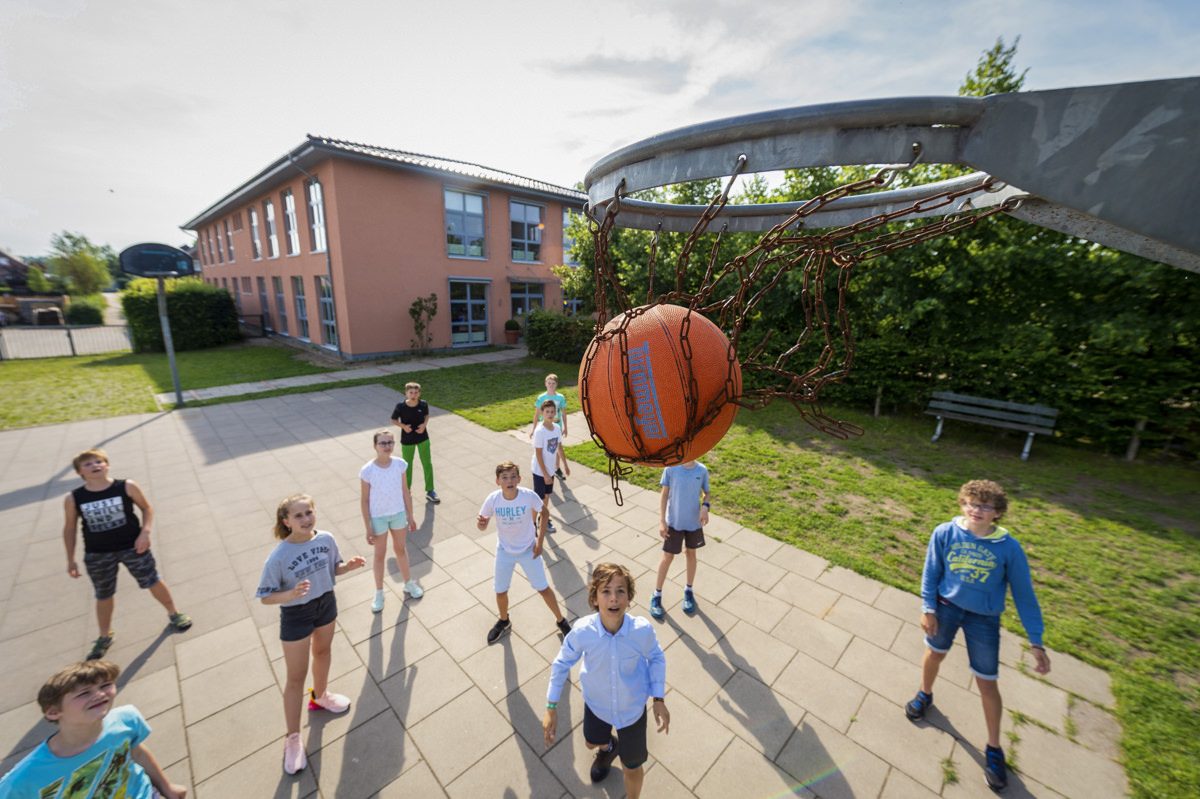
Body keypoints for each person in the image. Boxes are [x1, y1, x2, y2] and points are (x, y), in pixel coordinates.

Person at [904, 479, 1051, 792]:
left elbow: (1024, 595)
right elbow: (931, 572)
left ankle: (994, 748)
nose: (976, 510)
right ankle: (925, 694)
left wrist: (1035, 640)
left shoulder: (1009, 548)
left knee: (987, 681)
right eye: (971, 503)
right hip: (945, 608)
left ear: (997, 513)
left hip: (983, 619)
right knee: (934, 653)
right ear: (962, 504)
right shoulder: (945, 532)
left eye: (985, 506)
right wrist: (927, 607)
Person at [256, 494, 366, 775]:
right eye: (298, 516)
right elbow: (265, 597)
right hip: (296, 613)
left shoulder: (326, 539)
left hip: (325, 601)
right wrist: (289, 594)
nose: (306, 519)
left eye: (309, 512)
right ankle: (292, 738)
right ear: (286, 521)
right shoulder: (279, 557)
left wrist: (348, 567)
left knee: (323, 652)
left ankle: (320, 696)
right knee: (295, 676)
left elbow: (333, 569)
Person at [543, 563, 669, 798]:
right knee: (591, 742)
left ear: (629, 597)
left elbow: (656, 657)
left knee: (631, 766)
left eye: (620, 591)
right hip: (597, 706)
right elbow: (561, 664)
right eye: (606, 591)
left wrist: (658, 698)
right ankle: (608, 747)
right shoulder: (582, 632)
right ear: (595, 598)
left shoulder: (641, 631)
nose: (614, 599)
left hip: (631, 712)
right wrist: (551, 706)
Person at [62, 449, 191, 662]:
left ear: (107, 465)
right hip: (97, 554)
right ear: (79, 472)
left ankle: (174, 613)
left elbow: (147, 509)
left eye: (99, 461)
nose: (95, 465)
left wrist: (145, 532)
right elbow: (69, 529)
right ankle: (104, 636)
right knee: (103, 594)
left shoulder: (126, 486)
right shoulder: (74, 498)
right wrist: (70, 559)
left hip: (133, 547)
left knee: (152, 580)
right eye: (88, 464)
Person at [0, 659, 187, 798]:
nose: (99, 694)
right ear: (53, 712)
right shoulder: (25, 777)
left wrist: (166, 787)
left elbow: (137, 753)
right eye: (84, 693)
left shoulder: (126, 719)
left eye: (106, 685)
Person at [476, 462, 571, 645]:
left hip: (529, 550)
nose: (509, 480)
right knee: (500, 591)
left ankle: (561, 620)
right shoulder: (493, 499)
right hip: (504, 551)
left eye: (513, 477)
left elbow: (545, 513)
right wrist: (481, 525)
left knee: (543, 588)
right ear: (498, 481)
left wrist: (540, 542)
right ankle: (504, 621)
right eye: (504, 477)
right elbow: (482, 524)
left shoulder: (528, 496)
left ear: (519, 479)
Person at [360, 430, 423, 613]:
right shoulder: (368, 470)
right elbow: (364, 500)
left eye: (390, 442)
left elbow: (405, 491)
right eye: (383, 443)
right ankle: (379, 592)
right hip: (378, 517)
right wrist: (368, 526)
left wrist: (410, 515)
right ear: (375, 446)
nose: (387, 446)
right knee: (379, 555)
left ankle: (408, 583)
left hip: (398, 514)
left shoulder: (400, 465)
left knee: (400, 549)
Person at [649, 460, 710, 620]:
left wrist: (705, 507)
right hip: (674, 523)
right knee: (667, 557)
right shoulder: (671, 468)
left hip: (693, 524)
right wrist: (662, 521)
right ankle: (656, 595)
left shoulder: (702, 470)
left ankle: (688, 591)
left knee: (691, 554)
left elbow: (707, 492)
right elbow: (664, 495)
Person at [390, 382, 439, 504]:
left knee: (427, 463)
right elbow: (393, 419)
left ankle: (430, 491)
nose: (413, 395)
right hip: (407, 440)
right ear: (406, 393)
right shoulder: (400, 406)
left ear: (419, 393)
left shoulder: (423, 404)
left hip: (423, 438)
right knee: (407, 465)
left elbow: (427, 415)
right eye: (411, 392)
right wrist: (403, 427)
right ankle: (407, 490)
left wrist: (424, 425)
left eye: (416, 392)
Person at [530, 400, 570, 534]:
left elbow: (559, 447)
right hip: (540, 471)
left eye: (553, 411)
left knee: (546, 496)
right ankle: (532, 525)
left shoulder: (557, 428)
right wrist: (545, 474)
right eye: (547, 411)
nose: (550, 414)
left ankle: (543, 521)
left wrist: (565, 464)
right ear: (542, 413)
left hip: (550, 470)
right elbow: (539, 454)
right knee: (538, 498)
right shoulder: (540, 431)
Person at [528, 373, 568, 479]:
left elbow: (564, 413)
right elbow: (536, 414)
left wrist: (565, 428)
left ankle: (557, 468)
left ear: (556, 384)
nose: (551, 385)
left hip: (556, 427)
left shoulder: (560, 397)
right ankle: (543, 470)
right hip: (544, 427)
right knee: (543, 449)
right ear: (545, 384)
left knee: (556, 447)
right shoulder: (541, 397)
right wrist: (533, 429)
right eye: (549, 383)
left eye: (553, 383)